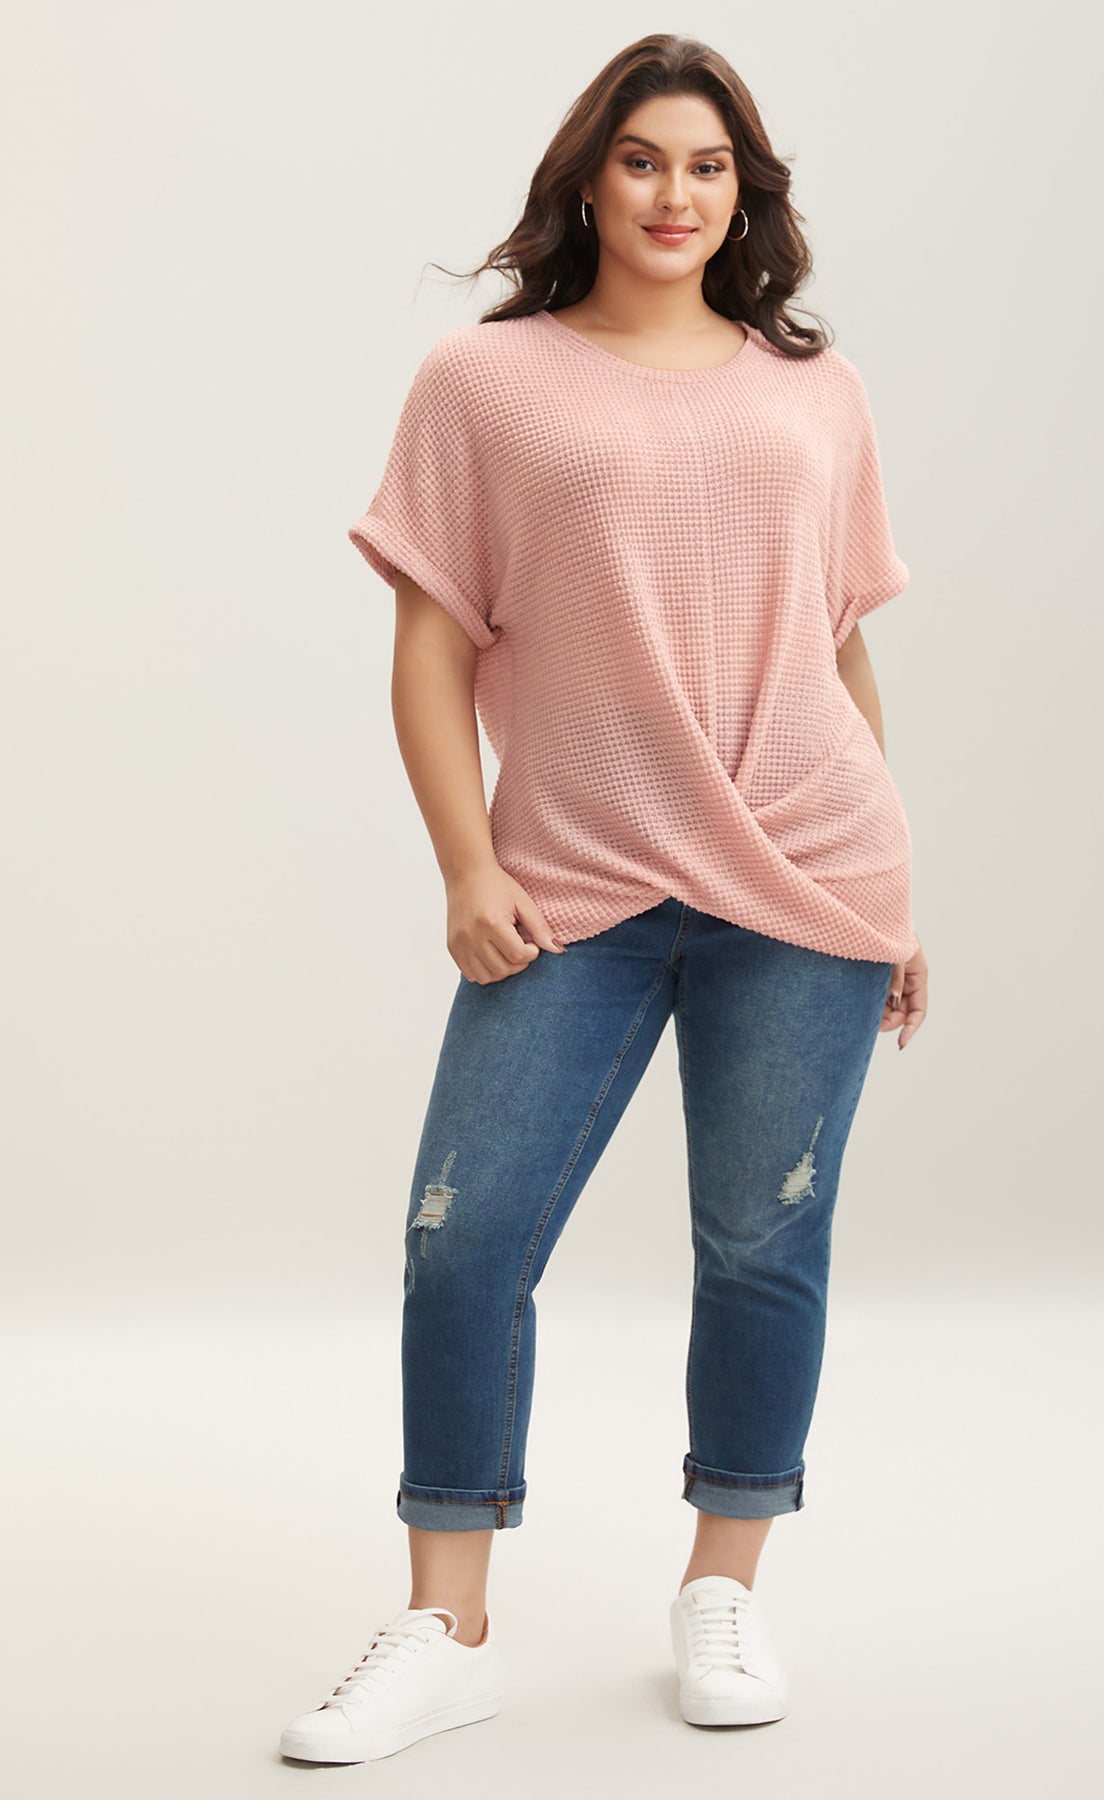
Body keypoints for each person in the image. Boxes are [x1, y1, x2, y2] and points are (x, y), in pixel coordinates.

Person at [279, 31, 929, 1766]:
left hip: (808, 875)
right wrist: (465, 865)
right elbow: (430, 651)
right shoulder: (486, 384)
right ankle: (446, 1629)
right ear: (588, 179)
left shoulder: (815, 391)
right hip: (571, 880)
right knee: (464, 1238)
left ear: (745, 194)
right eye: (641, 160)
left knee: (761, 1244)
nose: (672, 193)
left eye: (707, 166)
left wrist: (894, 895)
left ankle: (723, 1583)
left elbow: (836, 645)